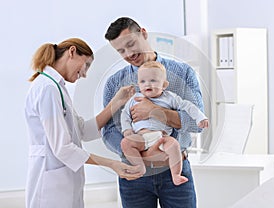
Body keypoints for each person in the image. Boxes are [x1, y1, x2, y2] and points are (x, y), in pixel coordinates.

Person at [25, 38, 143, 208]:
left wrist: (117, 102)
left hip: (64, 183)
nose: (85, 73)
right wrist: (112, 164)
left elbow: (83, 131)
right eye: (86, 65)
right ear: (72, 52)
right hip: (51, 189)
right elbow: (63, 148)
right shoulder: (47, 89)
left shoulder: (57, 88)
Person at [103, 17, 205, 208]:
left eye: (131, 44)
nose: (129, 54)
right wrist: (142, 152)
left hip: (175, 169)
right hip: (134, 173)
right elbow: (108, 132)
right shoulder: (114, 83)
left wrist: (156, 112)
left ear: (143, 33)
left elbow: (196, 124)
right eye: (121, 51)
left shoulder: (183, 73)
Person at [121, 61, 209, 186]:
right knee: (126, 143)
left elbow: (188, 106)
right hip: (140, 137)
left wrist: (200, 118)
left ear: (164, 84)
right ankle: (140, 167)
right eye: (143, 81)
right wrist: (127, 130)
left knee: (174, 145)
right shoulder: (134, 99)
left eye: (153, 80)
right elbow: (125, 114)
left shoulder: (169, 98)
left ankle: (176, 175)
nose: (148, 84)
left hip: (162, 137)